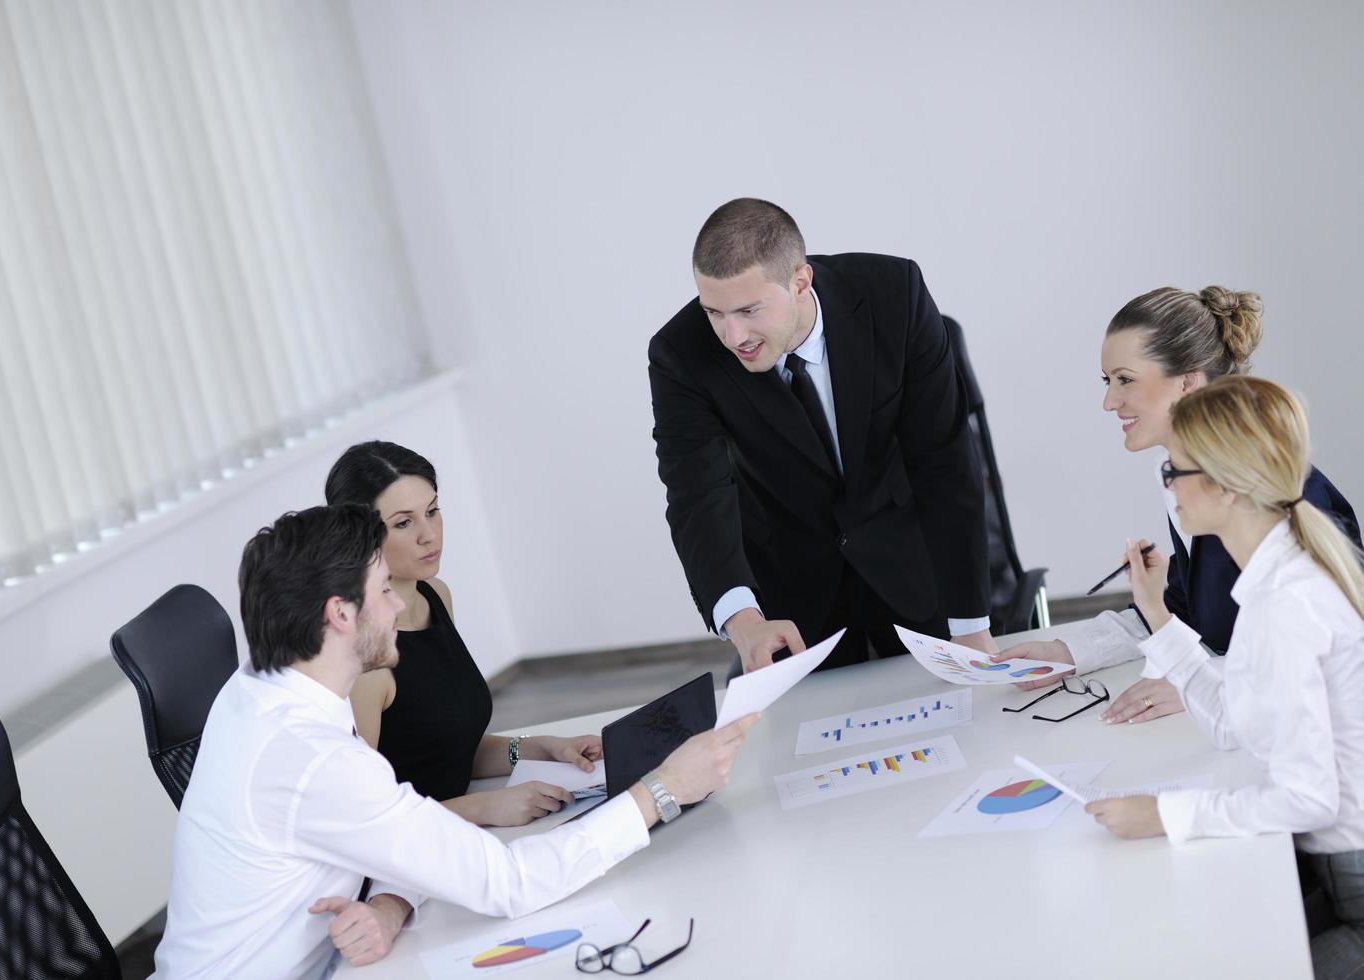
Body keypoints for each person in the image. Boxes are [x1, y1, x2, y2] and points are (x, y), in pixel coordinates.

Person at [153, 504, 755, 977]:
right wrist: (661, 792)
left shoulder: (263, 688)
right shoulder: (313, 758)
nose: (396, 608)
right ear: (340, 614)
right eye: (384, 589)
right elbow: (508, 885)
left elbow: (390, 832)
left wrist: (391, 904)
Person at [1081, 377, 1364, 979]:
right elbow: (1232, 724)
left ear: (1226, 487)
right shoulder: (1273, 578)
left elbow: (1308, 800)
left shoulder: (1289, 603)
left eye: (1173, 473)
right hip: (1333, 868)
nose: (1167, 489)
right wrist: (1157, 612)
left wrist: (1168, 815)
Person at [648, 198, 993, 677]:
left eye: (749, 310)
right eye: (714, 312)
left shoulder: (894, 294)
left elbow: (945, 461)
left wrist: (971, 621)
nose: (732, 335)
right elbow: (696, 495)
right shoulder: (680, 353)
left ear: (800, 281)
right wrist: (743, 620)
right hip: (793, 597)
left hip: (913, 564)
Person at [994, 286, 1358, 721]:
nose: (1109, 401)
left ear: (1188, 380)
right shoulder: (1187, 482)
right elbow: (1186, 611)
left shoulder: (1278, 497)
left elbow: (1333, 657)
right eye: (1108, 381)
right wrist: (1067, 650)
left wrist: (1205, 682)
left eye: (1125, 379)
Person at [325, 441, 598, 827]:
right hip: (407, 864)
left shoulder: (435, 595)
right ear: (358, 536)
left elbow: (442, 751)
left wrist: (541, 748)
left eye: (433, 512)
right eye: (404, 523)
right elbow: (362, 818)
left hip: (460, 828)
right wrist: (483, 809)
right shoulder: (363, 656)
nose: (429, 535)